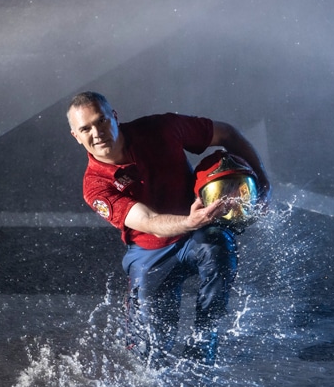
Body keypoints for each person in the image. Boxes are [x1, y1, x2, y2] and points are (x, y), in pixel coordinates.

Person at [66, 91, 271, 367]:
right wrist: (188, 221)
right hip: (150, 253)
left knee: (218, 245)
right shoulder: (95, 186)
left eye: (101, 121)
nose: (97, 133)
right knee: (150, 355)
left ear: (114, 117)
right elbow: (148, 221)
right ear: (76, 136)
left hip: (196, 236)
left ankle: (204, 339)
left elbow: (226, 134)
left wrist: (264, 182)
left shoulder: (161, 129)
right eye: (86, 128)